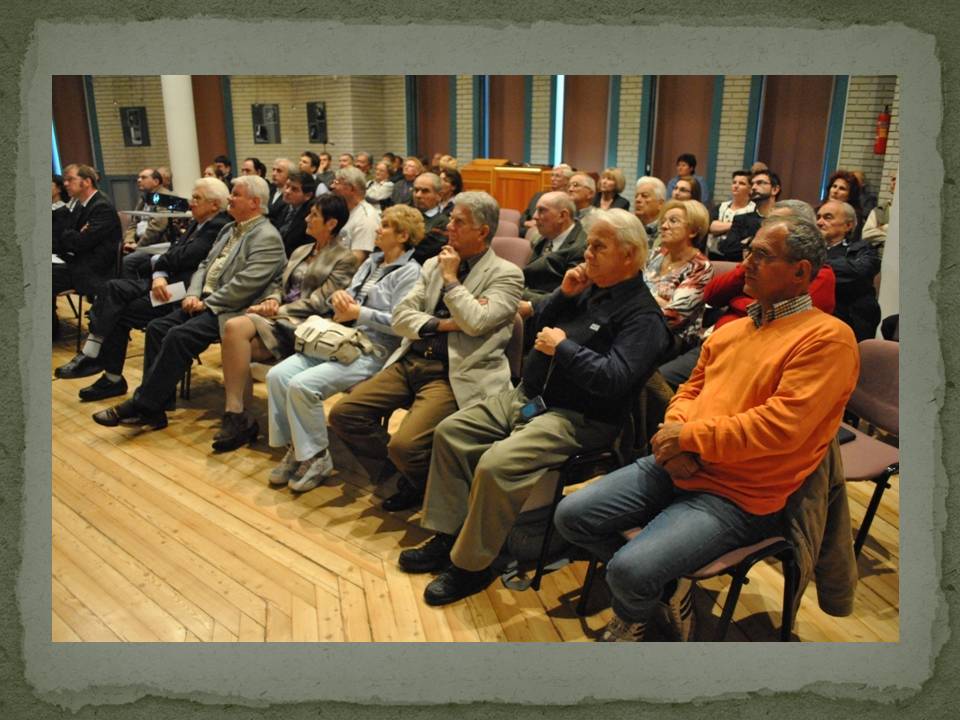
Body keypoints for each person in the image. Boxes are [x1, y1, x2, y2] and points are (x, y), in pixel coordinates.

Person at [555, 214, 859, 642]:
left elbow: (779, 428)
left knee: (628, 569)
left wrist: (687, 439)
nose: (746, 262)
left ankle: (636, 608)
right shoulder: (734, 329)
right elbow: (689, 390)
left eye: (761, 255)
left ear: (800, 271)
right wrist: (674, 445)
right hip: (679, 463)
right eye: (748, 251)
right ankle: (664, 588)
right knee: (571, 517)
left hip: (739, 493)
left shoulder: (827, 339)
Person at [398, 208, 671, 606]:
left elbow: (615, 379)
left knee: (497, 465)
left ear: (629, 256)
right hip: (528, 397)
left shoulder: (644, 318)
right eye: (589, 245)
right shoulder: (588, 286)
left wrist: (565, 348)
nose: (587, 253)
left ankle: (471, 566)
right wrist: (564, 293)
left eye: (598, 247)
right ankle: (449, 535)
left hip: (577, 418)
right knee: (452, 432)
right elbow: (534, 321)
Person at [328, 191, 523, 512]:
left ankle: (416, 477)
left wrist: (451, 280)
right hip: (412, 359)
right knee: (344, 414)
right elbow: (401, 317)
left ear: (482, 231)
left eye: (459, 222)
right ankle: (409, 477)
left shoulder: (506, 274)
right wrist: (441, 325)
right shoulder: (433, 263)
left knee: (405, 446)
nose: (449, 227)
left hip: (453, 372)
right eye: (451, 219)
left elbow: (475, 322)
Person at [91, 175, 285, 431]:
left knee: (177, 335)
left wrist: (206, 302)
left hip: (230, 310)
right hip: (199, 298)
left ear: (254, 202)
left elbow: (246, 284)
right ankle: (154, 408)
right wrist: (194, 293)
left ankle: (142, 404)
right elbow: (205, 265)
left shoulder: (266, 236)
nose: (230, 198)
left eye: (236, 194)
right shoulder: (229, 228)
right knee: (157, 328)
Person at [265, 204, 424, 491]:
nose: (378, 229)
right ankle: (298, 449)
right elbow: (345, 299)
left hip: (375, 349)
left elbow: (402, 323)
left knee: (302, 386)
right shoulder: (372, 262)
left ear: (403, 236)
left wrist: (359, 313)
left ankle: (316, 458)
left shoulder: (410, 273)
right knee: (277, 376)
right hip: (341, 339)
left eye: (386, 226)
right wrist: (337, 298)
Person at [54, 178, 231, 399]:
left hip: (180, 292)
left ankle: (105, 369)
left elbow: (185, 256)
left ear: (214, 205)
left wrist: (160, 267)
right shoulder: (199, 222)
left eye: (197, 198)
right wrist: (159, 273)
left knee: (117, 311)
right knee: (112, 289)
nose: (191, 202)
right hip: (166, 283)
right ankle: (101, 362)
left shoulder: (218, 225)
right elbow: (173, 254)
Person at [213, 194, 358, 452]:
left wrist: (277, 310)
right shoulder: (302, 250)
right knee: (233, 330)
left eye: (314, 215)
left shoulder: (344, 258)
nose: (307, 218)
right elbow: (279, 284)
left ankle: (241, 419)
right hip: (280, 319)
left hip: (308, 325)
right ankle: (236, 413)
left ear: (331, 223)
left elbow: (322, 302)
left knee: (236, 338)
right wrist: (271, 299)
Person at [659, 199, 836, 388]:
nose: (767, 228)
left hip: (758, 354)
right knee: (656, 383)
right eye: (766, 222)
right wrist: (747, 270)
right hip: (719, 342)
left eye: (775, 223)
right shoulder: (754, 274)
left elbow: (784, 317)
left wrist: (741, 299)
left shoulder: (818, 284)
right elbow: (711, 295)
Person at [642, 199, 714, 350]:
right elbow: (630, 291)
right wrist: (659, 301)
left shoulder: (701, 267)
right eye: (663, 221)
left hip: (675, 339)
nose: (664, 226)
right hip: (639, 326)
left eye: (673, 221)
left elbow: (674, 316)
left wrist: (643, 298)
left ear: (693, 231)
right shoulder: (655, 254)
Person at [53, 163, 123, 308]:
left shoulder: (101, 206)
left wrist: (71, 235)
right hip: (78, 260)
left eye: (70, 179)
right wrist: (74, 234)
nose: (65, 184)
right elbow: (67, 236)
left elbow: (80, 242)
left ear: (87, 182)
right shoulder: (81, 204)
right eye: (65, 180)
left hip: (94, 270)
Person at [817, 200, 881, 341]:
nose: (819, 222)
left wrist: (817, 265)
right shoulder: (810, 250)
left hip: (848, 321)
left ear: (848, 225)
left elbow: (861, 272)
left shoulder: (862, 249)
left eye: (828, 217)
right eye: (818, 217)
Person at [517, 191, 586, 317]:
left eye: (542, 211)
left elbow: (569, 295)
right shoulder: (543, 237)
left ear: (562, 216)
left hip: (555, 315)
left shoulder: (581, 247)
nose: (535, 216)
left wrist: (529, 303)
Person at [714, 170, 781, 261]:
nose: (754, 187)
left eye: (760, 183)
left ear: (775, 189)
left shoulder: (783, 220)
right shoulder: (741, 219)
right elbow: (727, 248)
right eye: (752, 184)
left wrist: (747, 242)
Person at [332, 166, 380, 265]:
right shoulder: (342, 211)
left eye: (337, 183)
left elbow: (357, 259)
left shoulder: (367, 217)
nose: (332, 186)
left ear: (351, 188)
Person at [706, 170, 755, 256]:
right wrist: (736, 226)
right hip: (715, 253)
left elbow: (748, 233)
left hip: (739, 255)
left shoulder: (754, 209)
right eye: (734, 182)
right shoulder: (721, 206)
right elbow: (711, 227)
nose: (736, 186)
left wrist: (722, 226)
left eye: (742, 183)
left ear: (750, 189)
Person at [520, 164, 573, 236]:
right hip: (528, 232)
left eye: (557, 176)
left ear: (567, 180)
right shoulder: (538, 196)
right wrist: (525, 223)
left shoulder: (569, 201)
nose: (552, 178)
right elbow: (524, 215)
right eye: (552, 175)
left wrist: (539, 223)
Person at [273, 171, 316, 256]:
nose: (287, 191)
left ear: (308, 196)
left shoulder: (311, 215)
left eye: (294, 189)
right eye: (287, 186)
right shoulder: (281, 206)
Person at [411, 172, 449, 263]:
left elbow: (422, 253)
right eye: (416, 190)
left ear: (439, 196)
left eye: (425, 191)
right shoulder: (405, 215)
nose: (418, 195)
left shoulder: (443, 223)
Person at [633, 176, 667, 249]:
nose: (638, 200)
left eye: (644, 196)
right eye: (636, 196)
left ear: (660, 204)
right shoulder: (630, 227)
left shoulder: (666, 230)